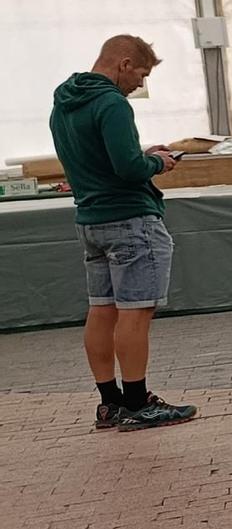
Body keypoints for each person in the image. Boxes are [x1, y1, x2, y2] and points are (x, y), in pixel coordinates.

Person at [49, 35, 199, 431]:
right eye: (141, 74)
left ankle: (109, 403)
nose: (140, 84)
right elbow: (128, 169)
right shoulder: (112, 103)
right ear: (124, 64)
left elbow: (95, 159)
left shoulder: (64, 102)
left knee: (102, 309)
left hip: (90, 220)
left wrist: (141, 155)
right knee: (136, 312)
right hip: (131, 220)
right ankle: (137, 402)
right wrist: (158, 163)